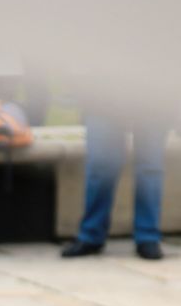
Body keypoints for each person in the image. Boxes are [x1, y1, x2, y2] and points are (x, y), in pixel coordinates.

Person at [61, 104, 170, 260]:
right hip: (104, 97)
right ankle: (91, 235)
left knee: (150, 168)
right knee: (100, 164)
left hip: (155, 98)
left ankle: (148, 237)